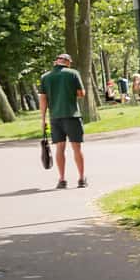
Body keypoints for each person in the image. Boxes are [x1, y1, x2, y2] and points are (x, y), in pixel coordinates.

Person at [39, 50, 87, 188]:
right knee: (76, 148)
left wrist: (43, 119)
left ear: (56, 61)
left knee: (60, 148)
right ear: (67, 62)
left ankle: (62, 179)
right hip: (72, 116)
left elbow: (43, 99)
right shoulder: (73, 74)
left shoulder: (45, 77)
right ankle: (81, 179)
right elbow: (81, 93)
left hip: (55, 117)